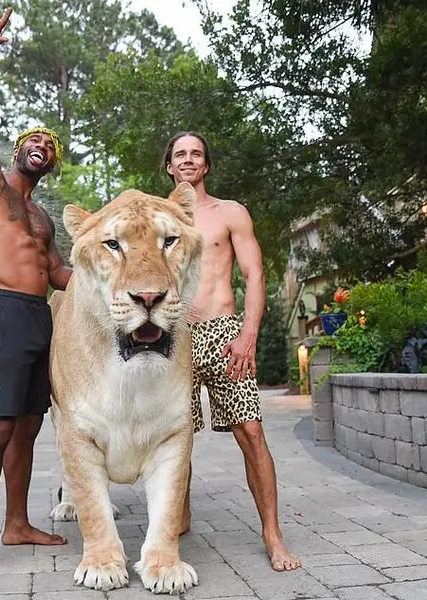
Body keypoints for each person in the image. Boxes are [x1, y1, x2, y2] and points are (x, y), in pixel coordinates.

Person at [0, 4, 72, 580]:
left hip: (40, 317)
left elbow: (59, 275)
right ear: (19, 147)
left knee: (29, 424)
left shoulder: (44, 216)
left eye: (51, 148)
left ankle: (18, 524)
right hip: (1, 312)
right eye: (35, 142)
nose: (42, 149)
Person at [164, 131, 301, 572]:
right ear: (169, 166)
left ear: (206, 165)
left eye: (196, 154)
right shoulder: (158, 216)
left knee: (252, 432)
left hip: (224, 332)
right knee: (173, 437)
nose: (188, 160)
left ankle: (273, 535)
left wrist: (247, 335)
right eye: (180, 154)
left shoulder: (229, 213)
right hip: (174, 337)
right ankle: (177, 520)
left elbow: (254, 273)